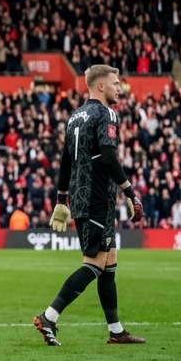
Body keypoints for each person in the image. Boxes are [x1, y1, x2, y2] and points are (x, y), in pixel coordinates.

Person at [34, 65, 146, 346]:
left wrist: (61, 199)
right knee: (94, 264)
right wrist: (131, 193)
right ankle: (49, 316)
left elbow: (64, 162)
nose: (120, 88)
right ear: (100, 86)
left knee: (109, 263)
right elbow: (109, 157)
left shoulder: (75, 117)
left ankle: (116, 331)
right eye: (116, 83)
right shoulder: (106, 113)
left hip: (82, 196)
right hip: (98, 197)